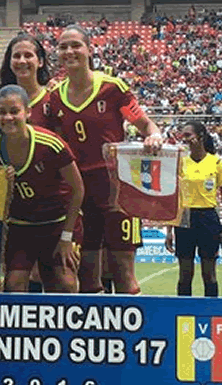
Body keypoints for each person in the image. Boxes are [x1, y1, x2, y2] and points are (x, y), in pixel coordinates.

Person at [47, 24, 163, 295]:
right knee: (88, 274)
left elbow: (146, 125)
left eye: (76, 45)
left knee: (123, 270)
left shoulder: (112, 88)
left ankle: (133, 331)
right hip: (80, 192)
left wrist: (155, 136)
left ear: (89, 49)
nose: (69, 51)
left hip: (116, 189)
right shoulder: (55, 97)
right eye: (63, 46)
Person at [0, 85, 84, 293]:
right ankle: (19, 326)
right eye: (2, 112)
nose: (8, 117)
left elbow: (78, 189)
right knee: (13, 284)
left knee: (65, 284)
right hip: (21, 227)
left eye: (14, 111)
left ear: (28, 112)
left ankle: (62, 326)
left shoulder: (51, 144)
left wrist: (66, 238)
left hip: (57, 224)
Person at [165, 121, 222, 297]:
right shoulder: (181, 163)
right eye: (183, 135)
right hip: (185, 219)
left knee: (209, 274)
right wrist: (169, 230)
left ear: (201, 136)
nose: (184, 139)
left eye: (188, 135)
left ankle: (211, 314)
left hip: (208, 219)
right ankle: (184, 315)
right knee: (185, 274)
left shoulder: (216, 163)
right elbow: (175, 197)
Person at [0, 33, 53, 127]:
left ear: (40, 62)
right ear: (9, 62)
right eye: (16, 56)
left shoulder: (51, 99)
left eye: (28, 55)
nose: (22, 61)